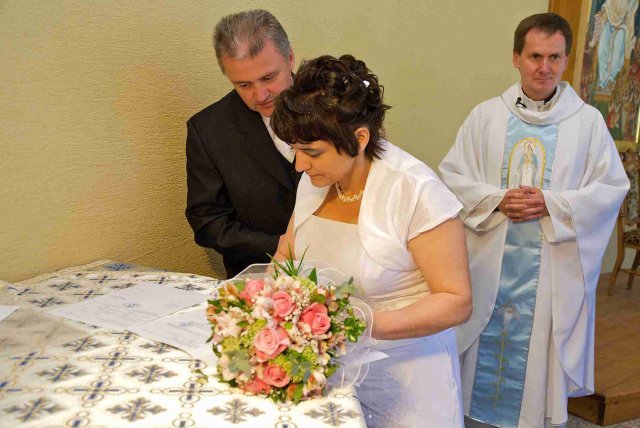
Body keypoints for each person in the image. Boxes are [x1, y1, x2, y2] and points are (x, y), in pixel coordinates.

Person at [439, 13, 629, 428]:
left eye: (555, 57)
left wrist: (552, 204)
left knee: (537, 358)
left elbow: (610, 188)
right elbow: (451, 176)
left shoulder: (587, 124)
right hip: (490, 265)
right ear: (516, 58)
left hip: (549, 273)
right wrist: (496, 200)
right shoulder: (486, 116)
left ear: (566, 60)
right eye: (535, 56)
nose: (545, 67)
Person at [271, 54, 472, 427]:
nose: (299, 164)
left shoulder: (415, 190)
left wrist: (360, 324)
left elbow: (456, 302)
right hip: (331, 367)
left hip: (408, 373)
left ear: (358, 138)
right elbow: (288, 250)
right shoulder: (316, 179)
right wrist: (273, 306)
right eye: (294, 150)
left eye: (311, 152)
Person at [185, 10, 300, 278]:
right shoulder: (208, 130)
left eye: (268, 78)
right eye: (244, 84)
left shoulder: (335, 104)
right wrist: (284, 247)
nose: (260, 95)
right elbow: (208, 221)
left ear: (290, 58)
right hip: (257, 279)